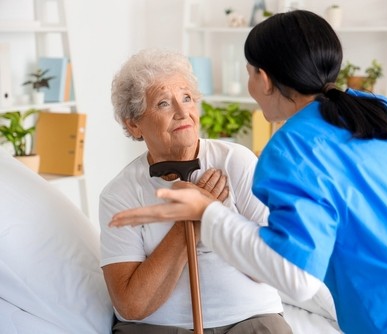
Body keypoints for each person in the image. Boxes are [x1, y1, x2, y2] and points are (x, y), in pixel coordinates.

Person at [109, 10, 387, 333]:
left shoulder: (293, 149)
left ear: (261, 78)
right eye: (164, 103)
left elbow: (295, 276)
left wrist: (205, 213)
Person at [100, 48, 292, 333]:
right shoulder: (120, 193)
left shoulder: (236, 162)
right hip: (157, 327)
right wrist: (187, 223)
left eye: (187, 98)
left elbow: (272, 266)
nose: (182, 112)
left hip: (252, 319)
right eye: (164, 103)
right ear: (134, 124)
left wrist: (212, 216)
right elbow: (131, 305)